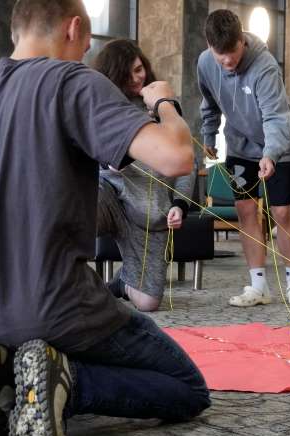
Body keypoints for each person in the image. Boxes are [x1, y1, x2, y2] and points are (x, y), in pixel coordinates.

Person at [0, 0, 210, 436]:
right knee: (186, 387)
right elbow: (177, 157)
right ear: (75, 28)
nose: (85, 53)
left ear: (15, 31)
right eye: (85, 43)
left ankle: (7, 375)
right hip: (62, 310)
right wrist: (163, 101)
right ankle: (70, 386)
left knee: (39, 347)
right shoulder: (72, 81)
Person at [197, 9, 290, 307]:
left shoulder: (265, 66)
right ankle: (258, 286)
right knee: (246, 210)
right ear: (210, 46)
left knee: (282, 212)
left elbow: (276, 118)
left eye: (233, 51)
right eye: (220, 54)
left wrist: (270, 155)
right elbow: (209, 103)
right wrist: (209, 136)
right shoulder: (205, 63)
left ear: (242, 40)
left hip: (279, 145)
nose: (228, 60)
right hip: (239, 147)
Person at [93, 39, 195, 312]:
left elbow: (187, 162)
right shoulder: (104, 108)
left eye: (139, 69)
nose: (137, 77)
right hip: (110, 198)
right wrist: (106, 165)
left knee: (148, 302)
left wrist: (179, 204)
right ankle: (68, 286)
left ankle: (123, 283)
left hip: (148, 216)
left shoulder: (164, 108)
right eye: (129, 72)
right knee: (78, 217)